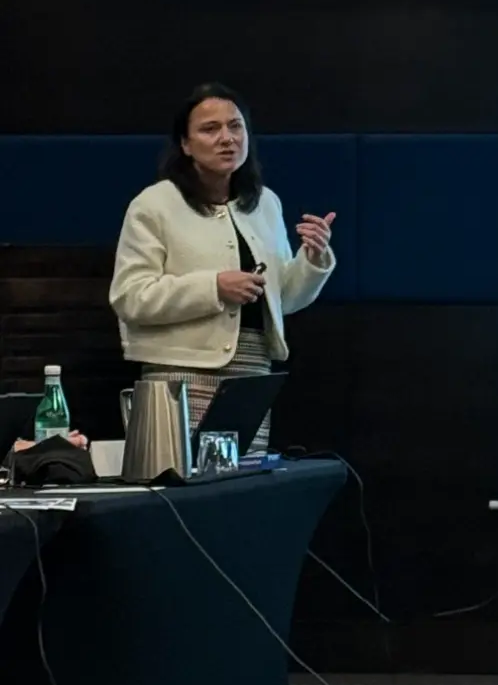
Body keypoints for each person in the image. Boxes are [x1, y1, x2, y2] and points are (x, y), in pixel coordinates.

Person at [110, 84, 336, 455]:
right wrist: (213, 287)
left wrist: (312, 259)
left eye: (235, 126)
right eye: (210, 129)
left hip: (251, 368)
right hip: (179, 369)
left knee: (242, 483)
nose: (227, 138)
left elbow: (284, 301)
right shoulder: (154, 205)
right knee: (181, 481)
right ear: (185, 144)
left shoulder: (265, 203)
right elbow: (130, 297)